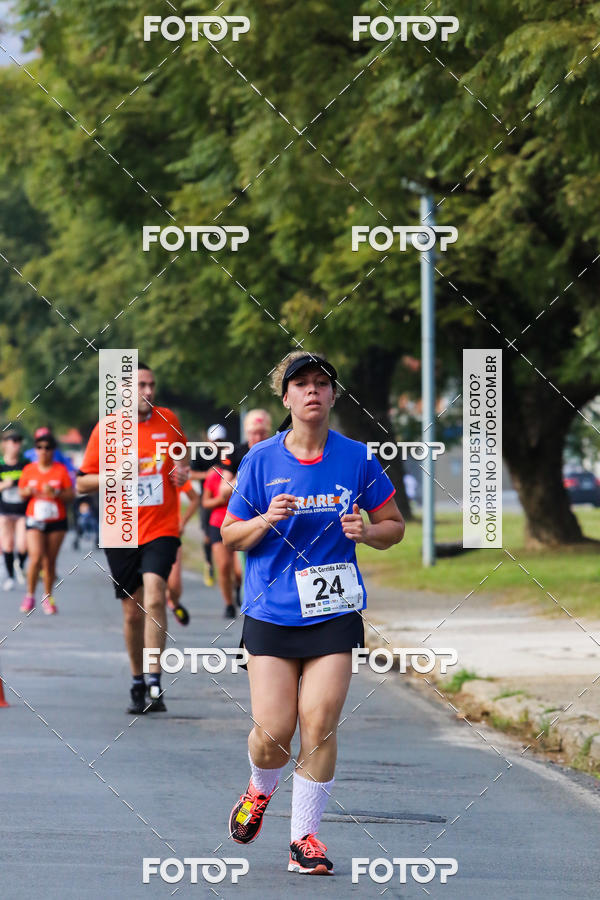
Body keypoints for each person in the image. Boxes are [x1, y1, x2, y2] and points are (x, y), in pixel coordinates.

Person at [221, 352, 404, 875]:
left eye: (322, 384)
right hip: (272, 611)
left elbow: (393, 524)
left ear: (333, 395)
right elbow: (230, 536)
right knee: (274, 732)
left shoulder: (356, 458)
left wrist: (367, 532)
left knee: (319, 723)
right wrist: (264, 522)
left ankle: (305, 840)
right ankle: (259, 789)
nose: (312, 392)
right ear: (286, 398)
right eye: (301, 384)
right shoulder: (260, 460)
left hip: (333, 611)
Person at [76, 363, 189, 714]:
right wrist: (117, 473)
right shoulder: (107, 429)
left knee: (155, 596)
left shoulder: (168, 419)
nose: (149, 391)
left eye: (152, 384)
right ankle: (138, 679)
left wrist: (180, 472)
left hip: (161, 526)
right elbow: (82, 483)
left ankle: (155, 680)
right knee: (132, 610)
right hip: (120, 529)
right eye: (141, 385)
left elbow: (181, 461)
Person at [18, 432, 75, 614]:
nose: (44, 451)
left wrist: (56, 493)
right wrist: (27, 491)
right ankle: (29, 595)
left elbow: (71, 495)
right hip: (35, 518)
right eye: (40, 448)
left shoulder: (60, 470)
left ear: (53, 451)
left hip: (56, 520)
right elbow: (21, 493)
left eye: (48, 448)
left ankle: (47, 597)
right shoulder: (29, 470)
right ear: (36, 450)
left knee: (50, 561)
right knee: (35, 557)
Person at [202, 430, 240, 618]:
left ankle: (239, 588)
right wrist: (220, 499)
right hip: (217, 522)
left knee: (239, 570)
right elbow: (205, 502)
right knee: (223, 566)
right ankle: (228, 604)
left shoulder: (242, 472)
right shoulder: (214, 474)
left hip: (240, 522)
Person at [166, 478, 200, 626]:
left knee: (174, 584)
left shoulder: (170, 472)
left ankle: (173, 602)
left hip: (170, 534)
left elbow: (194, 498)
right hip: (139, 536)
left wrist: (183, 522)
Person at [0, 430, 28, 590]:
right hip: (4, 510)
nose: (15, 445)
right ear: (5, 443)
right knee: (8, 545)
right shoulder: (1, 463)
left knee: (23, 545)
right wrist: (4, 485)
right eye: (12, 441)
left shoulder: (25, 463)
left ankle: (20, 564)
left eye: (18, 441)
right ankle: (10, 577)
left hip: (22, 510)